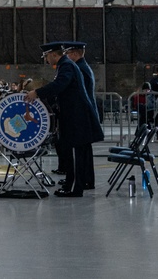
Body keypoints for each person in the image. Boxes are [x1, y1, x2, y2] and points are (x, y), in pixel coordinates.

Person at [25, 42, 104, 197]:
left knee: (75, 154)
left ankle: (74, 188)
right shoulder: (66, 65)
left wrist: (37, 93)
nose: (46, 60)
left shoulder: (67, 66)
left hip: (77, 118)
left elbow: (60, 85)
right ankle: (72, 184)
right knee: (76, 153)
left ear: (54, 54)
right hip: (75, 116)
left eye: (47, 56)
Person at [63, 41, 101, 188]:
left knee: (81, 151)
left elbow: (77, 93)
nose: (66, 56)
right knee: (84, 151)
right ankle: (86, 179)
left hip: (83, 114)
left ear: (75, 54)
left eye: (68, 54)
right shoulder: (83, 67)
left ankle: (83, 180)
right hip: (86, 113)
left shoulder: (80, 69)